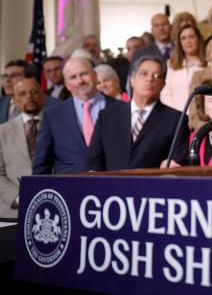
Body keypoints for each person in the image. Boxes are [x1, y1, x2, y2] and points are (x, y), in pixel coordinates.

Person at [87, 55, 190, 171]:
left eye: (157, 76)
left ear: (163, 85)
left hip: (152, 187)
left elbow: (179, 162)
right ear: (132, 80)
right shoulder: (107, 116)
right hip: (112, 187)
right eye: (144, 73)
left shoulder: (176, 119)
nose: (150, 79)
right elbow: (94, 161)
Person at [33, 57, 122, 174]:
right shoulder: (53, 115)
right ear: (67, 84)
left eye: (83, 74)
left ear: (95, 75)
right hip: (69, 188)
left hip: (115, 185)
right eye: (73, 77)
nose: (80, 81)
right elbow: (42, 164)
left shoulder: (122, 109)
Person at [0, 78, 45, 217]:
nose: (29, 97)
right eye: (22, 94)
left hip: (53, 204)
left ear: (43, 95)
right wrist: (19, 197)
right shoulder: (3, 131)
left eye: (34, 92)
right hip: (13, 211)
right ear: (13, 99)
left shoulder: (58, 127)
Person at [160, 24, 206, 111]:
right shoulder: (171, 64)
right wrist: (178, 115)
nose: (187, 41)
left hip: (201, 116)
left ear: (198, 39)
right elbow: (165, 93)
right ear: (179, 42)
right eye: (183, 38)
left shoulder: (208, 64)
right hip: (176, 117)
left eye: (191, 37)